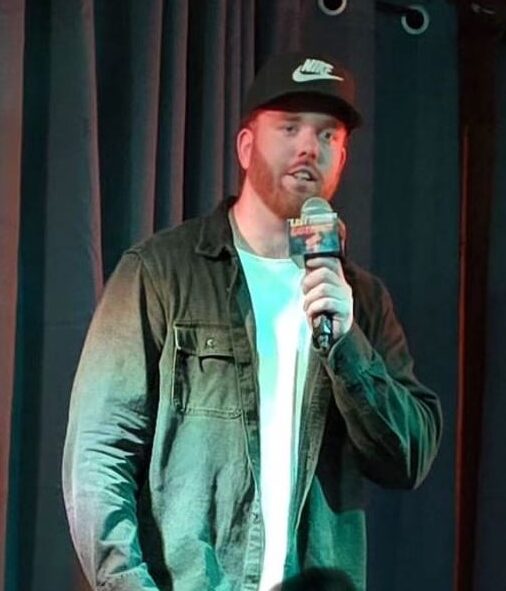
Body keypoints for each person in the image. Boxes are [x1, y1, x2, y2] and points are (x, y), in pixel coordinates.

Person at [62, 52, 442, 591]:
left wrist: (345, 344)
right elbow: (98, 454)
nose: (310, 147)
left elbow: (407, 458)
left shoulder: (362, 301)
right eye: (290, 128)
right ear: (246, 146)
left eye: (329, 135)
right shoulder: (159, 273)